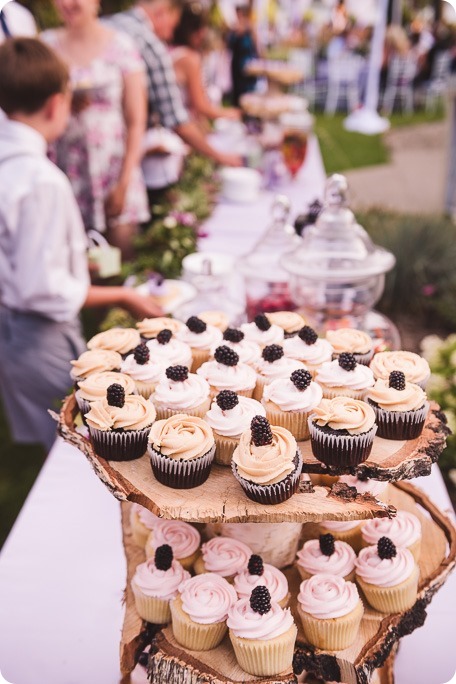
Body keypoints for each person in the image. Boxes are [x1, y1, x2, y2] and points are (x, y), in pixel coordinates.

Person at [0, 38, 163, 453]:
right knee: (75, 446)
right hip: (36, 337)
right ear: (57, 104)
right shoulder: (40, 179)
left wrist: (76, 262)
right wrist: (124, 295)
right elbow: (45, 290)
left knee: (51, 438)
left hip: (12, 330)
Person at [42, 0, 150, 261]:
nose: (67, 4)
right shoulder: (46, 46)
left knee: (119, 258)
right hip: (66, 170)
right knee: (74, 259)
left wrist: (125, 181)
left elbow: (136, 120)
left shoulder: (121, 45)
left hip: (113, 169)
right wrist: (66, 101)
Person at [109, 0, 241, 167]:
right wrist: (221, 156)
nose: (170, 33)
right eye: (172, 25)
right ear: (163, 12)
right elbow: (177, 119)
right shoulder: (151, 45)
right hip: (128, 153)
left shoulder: (113, 23)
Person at [171, 1, 239, 123]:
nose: (203, 33)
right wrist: (232, 113)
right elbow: (200, 106)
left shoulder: (170, 50)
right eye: (200, 28)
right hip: (183, 128)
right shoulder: (189, 59)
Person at [227, 4, 258, 106]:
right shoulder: (235, 28)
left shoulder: (249, 27)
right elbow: (229, 44)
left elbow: (255, 44)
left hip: (247, 62)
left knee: (248, 90)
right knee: (237, 89)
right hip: (237, 62)